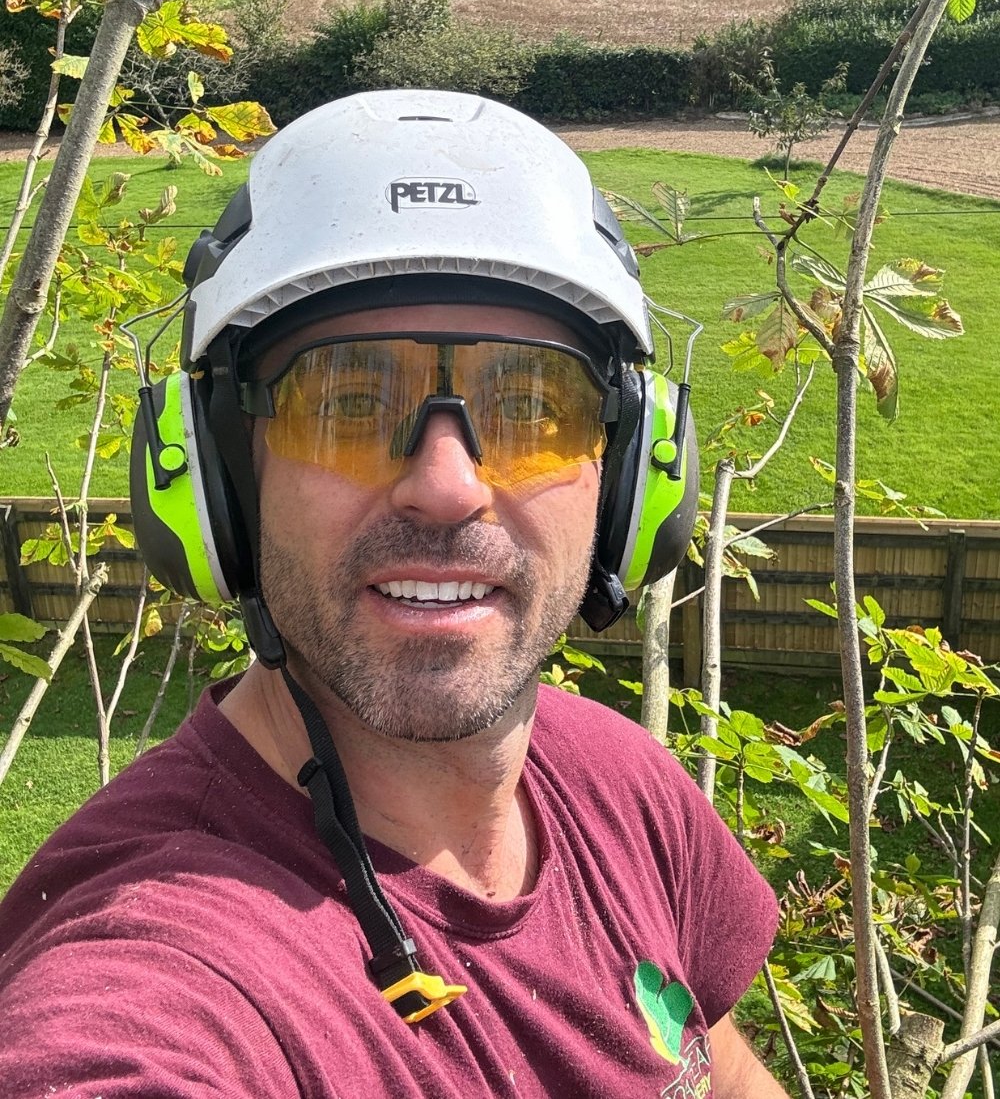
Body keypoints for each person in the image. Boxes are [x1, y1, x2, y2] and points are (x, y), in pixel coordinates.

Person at [0, 90, 788, 1098]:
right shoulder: (154, 966)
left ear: (630, 471)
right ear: (216, 478)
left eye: (531, 406)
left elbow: (720, 1069)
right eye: (348, 403)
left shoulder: (620, 785)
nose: (447, 487)